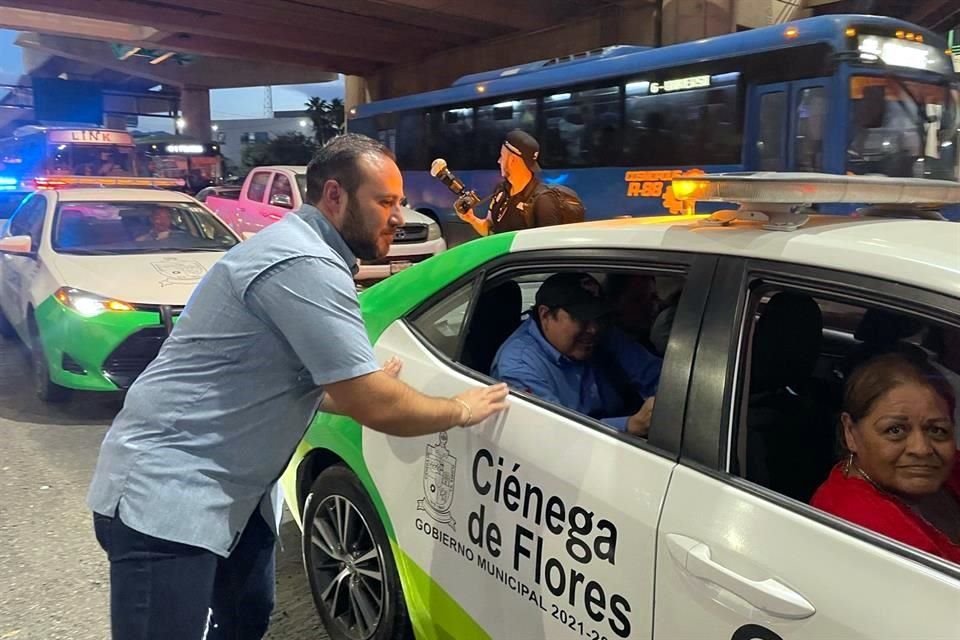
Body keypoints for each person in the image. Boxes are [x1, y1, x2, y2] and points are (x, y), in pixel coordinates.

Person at [87, 134, 509, 639]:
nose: (399, 216)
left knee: (246, 618)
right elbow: (373, 405)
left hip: (234, 496)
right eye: (385, 202)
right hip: (169, 498)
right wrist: (460, 408)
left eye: (399, 202)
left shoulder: (306, 252)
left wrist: (352, 383)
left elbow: (285, 379)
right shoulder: (302, 264)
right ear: (334, 196)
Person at [811, 352, 960, 564]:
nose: (922, 448)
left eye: (937, 430)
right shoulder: (860, 524)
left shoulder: (948, 467)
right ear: (851, 433)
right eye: (895, 430)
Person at [491, 272, 661, 437]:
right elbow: (556, 434)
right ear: (545, 315)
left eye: (598, 317)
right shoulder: (519, 367)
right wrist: (629, 425)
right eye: (582, 319)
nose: (593, 328)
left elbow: (654, 375)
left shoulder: (604, 334)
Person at [456, 129, 562, 236]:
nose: (499, 161)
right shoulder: (501, 191)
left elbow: (546, 246)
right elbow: (490, 230)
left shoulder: (543, 201)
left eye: (502, 156)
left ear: (512, 160)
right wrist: (472, 219)